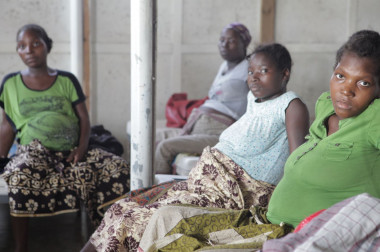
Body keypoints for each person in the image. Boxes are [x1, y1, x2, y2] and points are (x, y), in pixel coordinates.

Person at [134, 30, 380, 250]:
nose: (347, 89)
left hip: (294, 235)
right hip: (262, 220)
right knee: (164, 218)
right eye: (340, 76)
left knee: (176, 245)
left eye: (364, 82)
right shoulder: (326, 107)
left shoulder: (374, 118)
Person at [81, 42, 310, 251]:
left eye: (263, 71)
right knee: (122, 208)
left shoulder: (291, 106)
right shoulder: (255, 100)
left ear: (284, 73)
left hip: (233, 192)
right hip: (206, 183)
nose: (254, 78)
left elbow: (296, 162)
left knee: (136, 219)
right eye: (250, 72)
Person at [0, 24, 130, 252]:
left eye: (35, 44)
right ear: (18, 51)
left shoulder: (66, 80)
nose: (29, 50)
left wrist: (81, 148)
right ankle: (20, 248)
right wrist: (1, 156)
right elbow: (7, 124)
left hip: (73, 150)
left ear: (47, 46)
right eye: (22, 46)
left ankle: (105, 241)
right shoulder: (10, 84)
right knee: (19, 176)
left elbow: (84, 120)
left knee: (117, 168)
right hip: (34, 151)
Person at [155, 22, 252, 174]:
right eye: (221, 40)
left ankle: (155, 194)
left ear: (245, 43)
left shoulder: (250, 68)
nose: (224, 45)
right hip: (197, 126)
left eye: (231, 41)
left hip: (218, 132)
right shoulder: (225, 65)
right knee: (151, 135)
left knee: (164, 147)